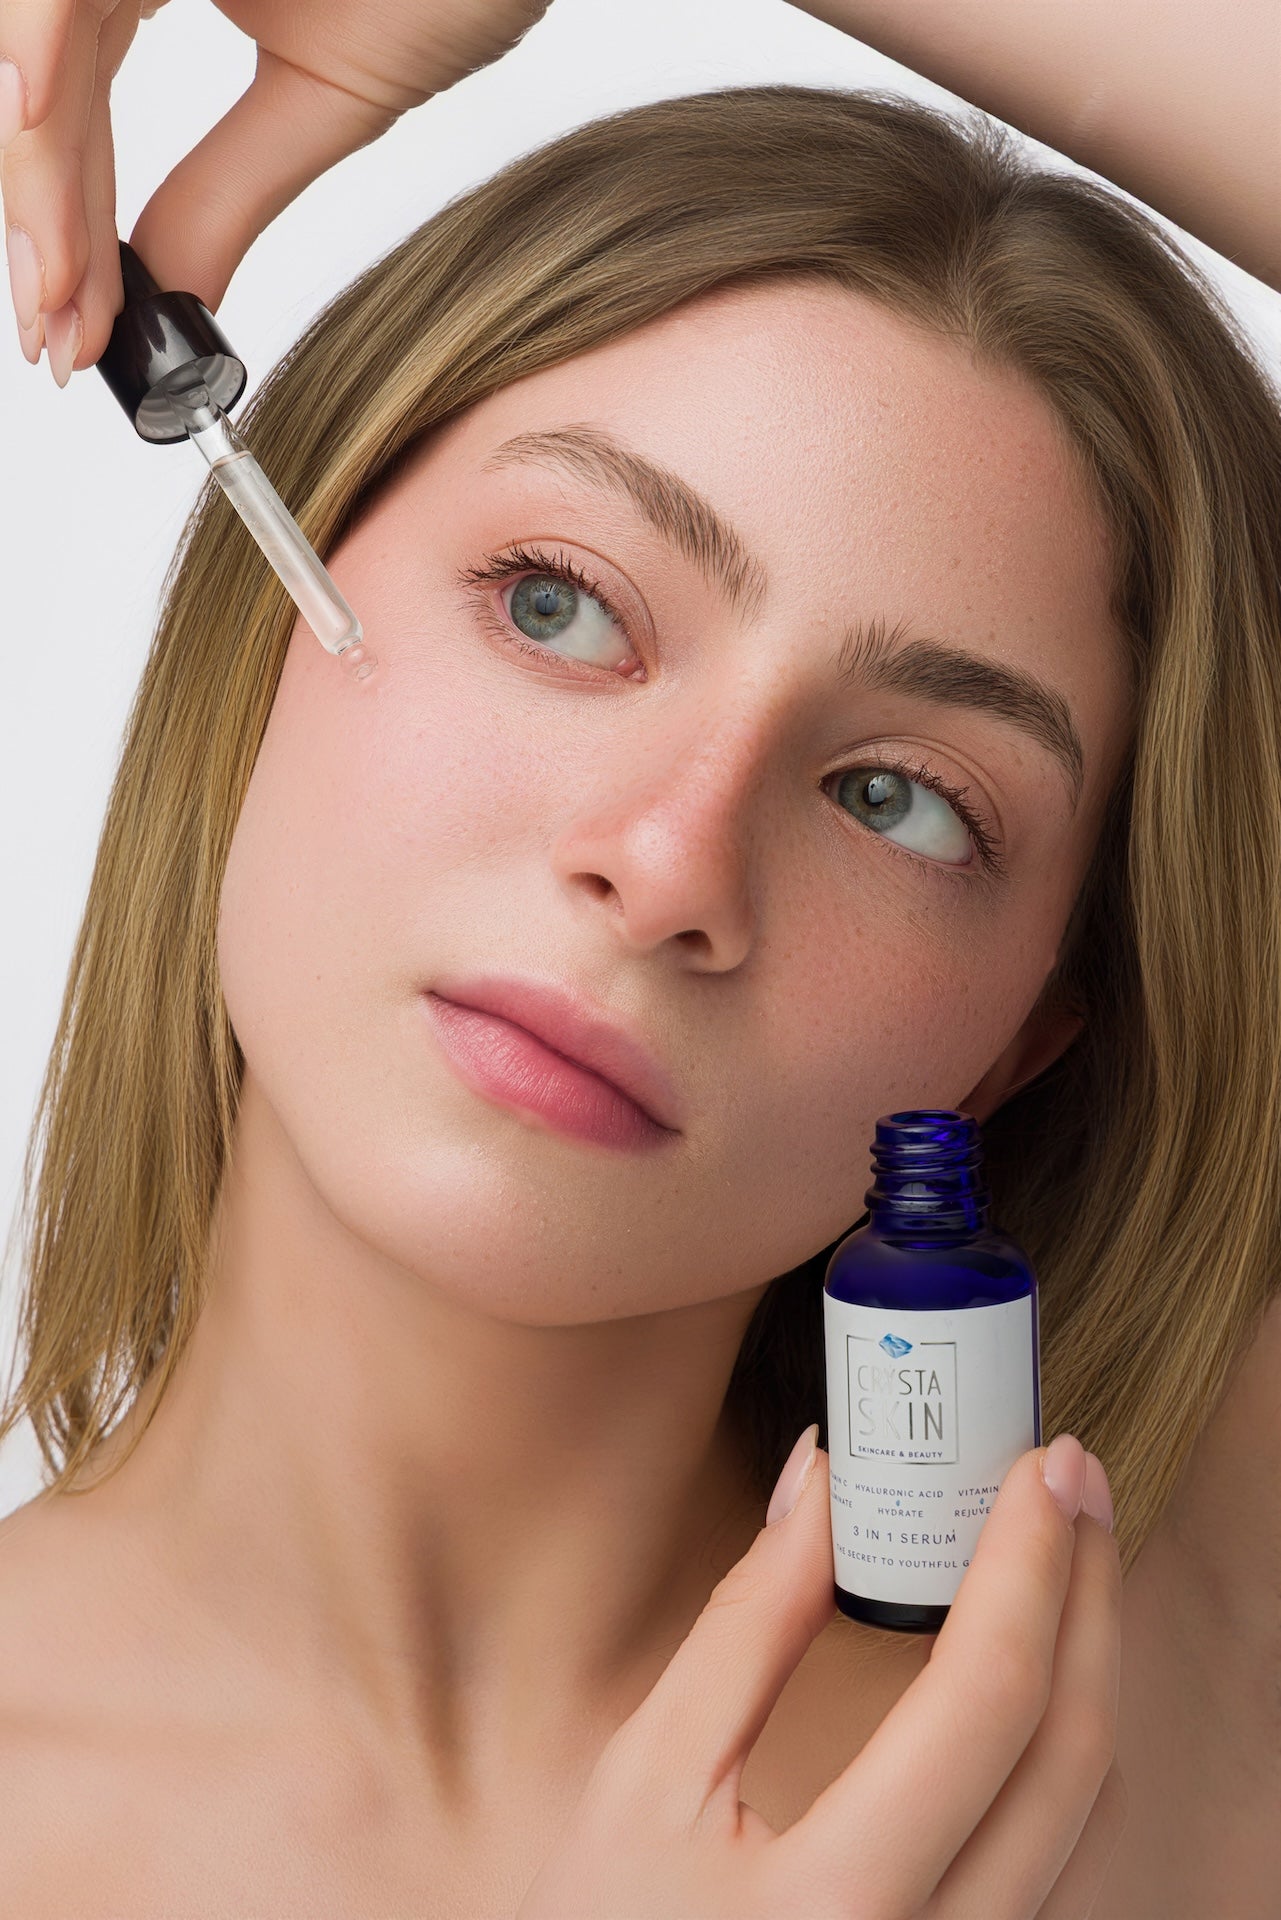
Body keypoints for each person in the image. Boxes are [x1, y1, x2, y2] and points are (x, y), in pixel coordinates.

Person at [1, 10, 1278, 1920]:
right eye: (560, 605)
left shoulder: (1190, 1642)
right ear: (271, 602)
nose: (669, 861)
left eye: (898, 798)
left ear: (1028, 1034)